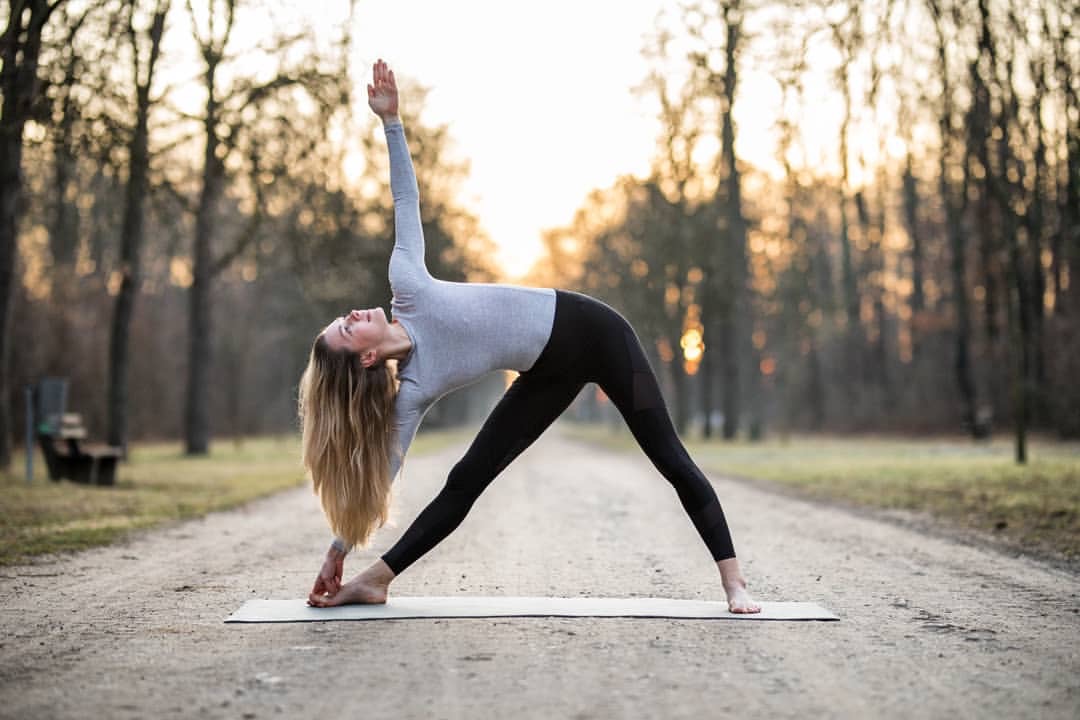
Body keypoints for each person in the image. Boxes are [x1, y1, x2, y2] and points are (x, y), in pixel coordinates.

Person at [300, 60, 760, 614]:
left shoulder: (408, 285)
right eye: (347, 327)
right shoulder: (415, 389)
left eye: (346, 316)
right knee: (466, 478)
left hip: (599, 333)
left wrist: (392, 123)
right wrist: (336, 550)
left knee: (669, 457)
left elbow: (405, 202)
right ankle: (376, 580)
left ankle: (734, 583)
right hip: (545, 374)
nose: (353, 312)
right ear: (368, 357)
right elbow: (384, 474)